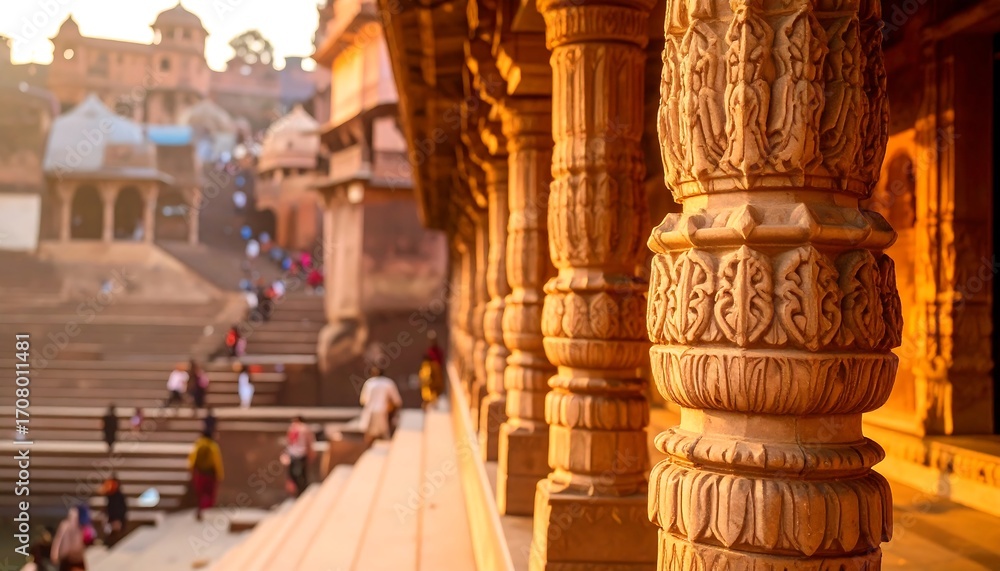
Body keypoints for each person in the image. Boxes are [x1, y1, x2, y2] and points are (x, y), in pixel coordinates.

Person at [187, 430, 224, 521]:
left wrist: (191, 470)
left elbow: (192, 458)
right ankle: (205, 508)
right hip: (210, 474)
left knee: (200, 493)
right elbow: (217, 461)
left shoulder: (198, 444)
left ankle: (201, 508)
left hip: (199, 473)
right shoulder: (213, 446)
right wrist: (220, 474)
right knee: (209, 493)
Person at [359, 367, 403, 444]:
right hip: (382, 410)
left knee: (370, 434)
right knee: (383, 434)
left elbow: (363, 400)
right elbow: (397, 400)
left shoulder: (369, 383)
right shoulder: (388, 383)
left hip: (371, 411)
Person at [284, 415, 315, 497]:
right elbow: (289, 442)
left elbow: (308, 442)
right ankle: (299, 492)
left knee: (300, 474)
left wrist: (310, 453)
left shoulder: (304, 429)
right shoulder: (292, 428)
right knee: (295, 475)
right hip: (294, 453)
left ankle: (302, 491)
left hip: (301, 453)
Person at [50, 506, 87, 570]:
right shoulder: (65, 525)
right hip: (67, 556)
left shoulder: (81, 526)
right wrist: (55, 553)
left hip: (77, 556)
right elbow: (58, 539)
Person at [419, 333, 445, 409]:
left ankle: (432, 402)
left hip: (436, 374)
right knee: (428, 392)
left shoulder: (438, 352)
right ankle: (429, 403)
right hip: (429, 380)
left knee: (435, 390)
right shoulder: (427, 362)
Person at [100, 477, 127, 548]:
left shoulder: (120, 497)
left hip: (117, 518)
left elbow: (122, 509)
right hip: (110, 518)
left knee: (116, 527)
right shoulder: (109, 496)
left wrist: (118, 519)